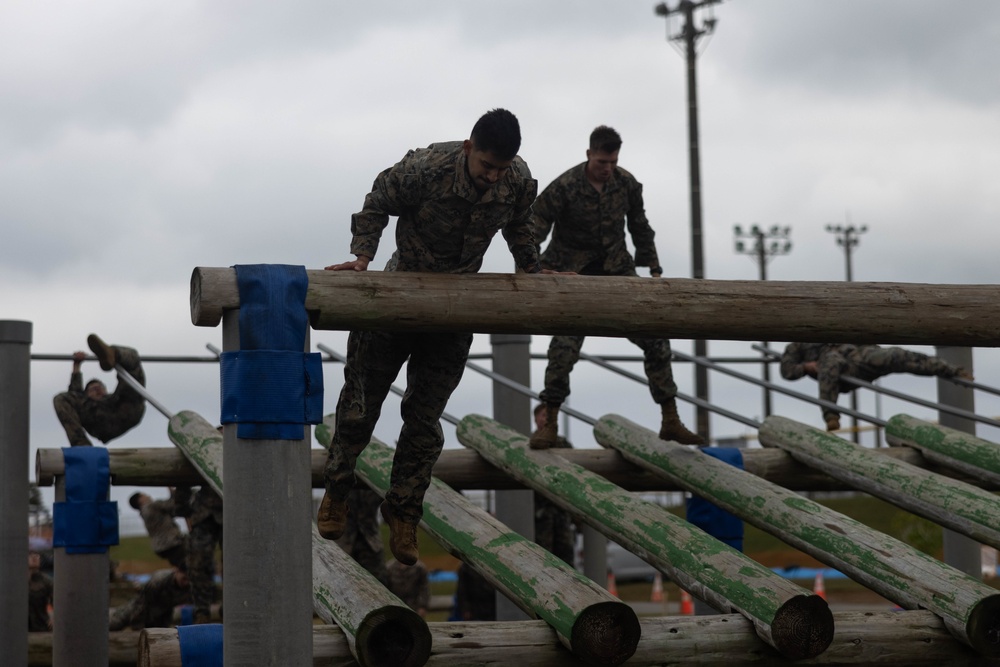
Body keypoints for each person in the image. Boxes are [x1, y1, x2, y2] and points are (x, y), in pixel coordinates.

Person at [318, 108, 562, 566]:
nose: (492, 177)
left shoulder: (517, 181)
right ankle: (337, 489)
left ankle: (405, 510)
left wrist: (531, 268)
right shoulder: (427, 168)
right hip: (398, 299)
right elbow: (377, 198)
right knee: (359, 407)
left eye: (501, 169)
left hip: (453, 309)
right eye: (486, 166)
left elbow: (519, 222)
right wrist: (362, 255)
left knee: (424, 421)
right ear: (469, 148)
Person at [528, 125, 702, 450]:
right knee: (563, 350)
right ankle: (549, 421)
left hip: (617, 271)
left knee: (655, 338)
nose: (607, 169)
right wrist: (532, 266)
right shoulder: (565, 185)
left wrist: (653, 268)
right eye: (601, 162)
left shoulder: (627, 184)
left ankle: (670, 418)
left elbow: (640, 225)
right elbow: (535, 221)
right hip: (571, 273)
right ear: (588, 155)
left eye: (612, 162)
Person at [779, 342, 974, 430]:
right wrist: (806, 367)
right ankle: (831, 415)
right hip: (837, 373)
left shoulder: (841, 323)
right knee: (831, 360)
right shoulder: (798, 344)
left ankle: (951, 370)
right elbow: (786, 370)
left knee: (896, 355)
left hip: (858, 358)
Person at [52, 334, 146, 447]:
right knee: (61, 399)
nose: (98, 390)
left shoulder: (113, 398)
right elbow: (74, 395)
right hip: (100, 421)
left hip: (121, 411)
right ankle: (81, 444)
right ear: (86, 394)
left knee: (133, 361)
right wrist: (76, 366)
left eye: (100, 387)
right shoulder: (87, 406)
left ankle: (112, 354)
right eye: (93, 389)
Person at [530, 403, 576, 566]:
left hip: (561, 511)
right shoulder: (529, 443)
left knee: (566, 556)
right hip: (539, 513)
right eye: (543, 415)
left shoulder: (563, 444)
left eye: (549, 416)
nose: (546, 419)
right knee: (541, 557)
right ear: (535, 418)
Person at [175, 485, 223, 625]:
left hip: (237, 508)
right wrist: (181, 505)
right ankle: (202, 612)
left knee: (236, 564)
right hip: (205, 512)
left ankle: (233, 606)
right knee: (197, 564)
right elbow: (186, 473)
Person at [336, 487, 391, 588]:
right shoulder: (342, 474)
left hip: (371, 542)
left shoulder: (374, 475)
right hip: (343, 541)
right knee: (340, 581)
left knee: (378, 584)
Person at [109, 566, 191, 631]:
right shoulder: (159, 580)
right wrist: (138, 628)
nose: (186, 583)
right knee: (114, 623)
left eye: (188, 580)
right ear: (176, 571)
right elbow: (141, 604)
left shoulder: (190, 586)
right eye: (184, 579)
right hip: (139, 609)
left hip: (161, 615)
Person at [129, 490, 188, 570]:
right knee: (188, 564)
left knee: (181, 566)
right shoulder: (152, 506)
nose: (148, 495)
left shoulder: (143, 512)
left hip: (161, 547)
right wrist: (174, 492)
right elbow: (173, 504)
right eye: (144, 495)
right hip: (171, 543)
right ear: (140, 500)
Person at [28, 550, 54, 632]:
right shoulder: (14, 580)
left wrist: (55, 619)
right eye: (30, 555)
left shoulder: (46, 581)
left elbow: (58, 602)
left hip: (40, 627)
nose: (35, 557)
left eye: (37, 555)